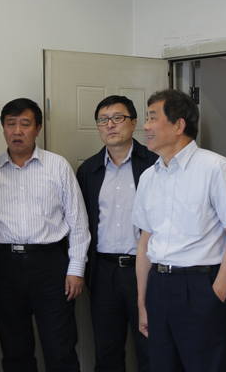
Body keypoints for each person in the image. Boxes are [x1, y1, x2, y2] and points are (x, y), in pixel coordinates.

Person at [132, 89, 226, 372]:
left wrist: (216, 295)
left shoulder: (214, 167)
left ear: (179, 125)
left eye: (152, 118)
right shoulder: (149, 176)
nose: (145, 126)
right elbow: (145, 242)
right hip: (158, 286)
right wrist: (142, 302)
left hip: (199, 287)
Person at [0, 98, 90, 371]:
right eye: (11, 124)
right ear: (3, 127)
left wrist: (76, 269)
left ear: (38, 128)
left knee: (60, 348)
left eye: (25, 124)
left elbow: (78, 221)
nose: (17, 131)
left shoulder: (58, 166)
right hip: (4, 266)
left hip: (50, 265)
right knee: (14, 350)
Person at [77, 95, 157, 372]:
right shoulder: (88, 170)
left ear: (134, 123)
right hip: (104, 272)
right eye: (103, 120)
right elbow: (81, 223)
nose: (110, 125)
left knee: (151, 348)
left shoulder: (155, 164)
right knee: (107, 352)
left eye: (117, 118)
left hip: (146, 270)